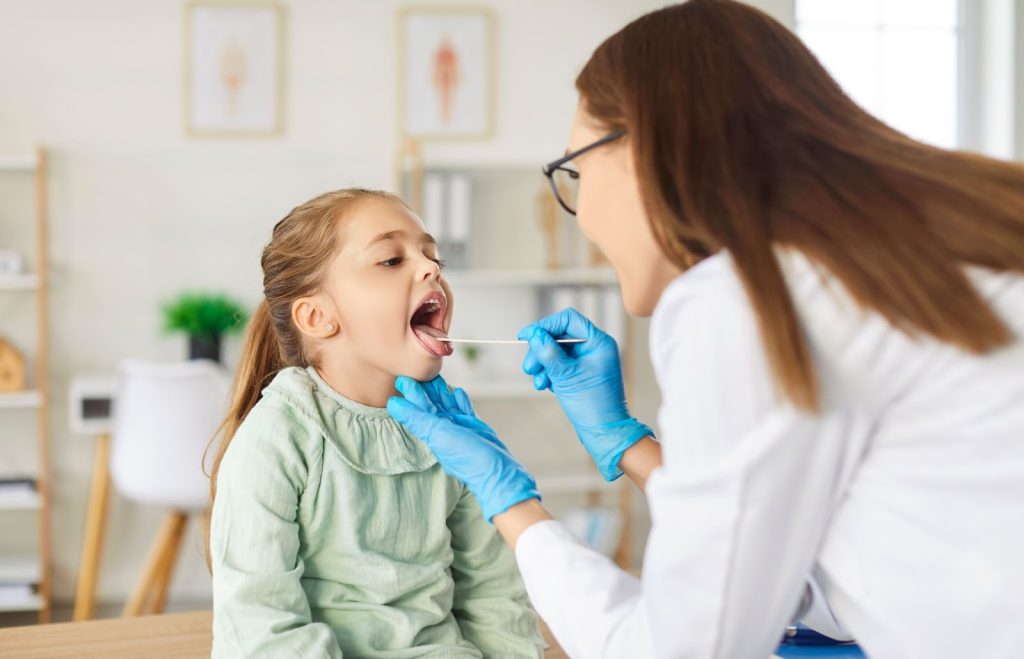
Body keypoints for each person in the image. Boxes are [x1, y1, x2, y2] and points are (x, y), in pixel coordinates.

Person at [385, 1, 1024, 657]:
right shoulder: (882, 257)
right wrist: (627, 442)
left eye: (574, 170)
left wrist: (508, 497)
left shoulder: (747, 298)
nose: (579, 214)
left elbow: (681, 647)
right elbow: (779, 550)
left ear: (641, 150)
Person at [206, 189, 544, 658]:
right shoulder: (278, 439)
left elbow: (493, 593)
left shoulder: (448, 430)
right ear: (317, 316)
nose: (431, 269)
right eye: (390, 260)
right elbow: (261, 626)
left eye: (432, 255)